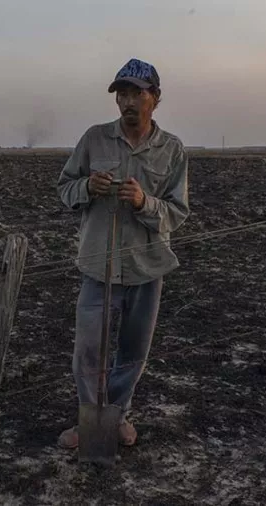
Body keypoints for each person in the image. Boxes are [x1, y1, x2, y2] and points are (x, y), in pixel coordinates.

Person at [56, 58, 189, 449]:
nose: (129, 102)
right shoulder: (94, 139)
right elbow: (65, 187)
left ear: (156, 99)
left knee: (134, 350)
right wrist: (87, 189)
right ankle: (89, 420)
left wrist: (144, 202)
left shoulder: (172, 150)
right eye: (123, 94)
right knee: (88, 349)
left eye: (138, 93)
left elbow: (177, 213)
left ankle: (116, 416)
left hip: (147, 267)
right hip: (99, 263)